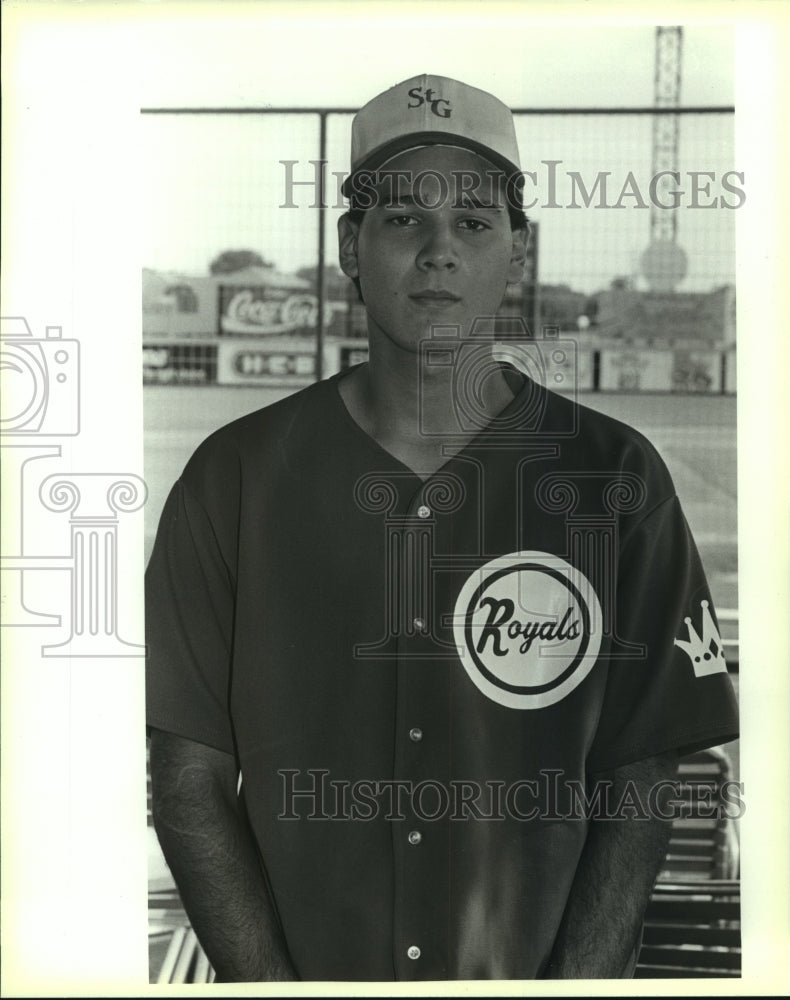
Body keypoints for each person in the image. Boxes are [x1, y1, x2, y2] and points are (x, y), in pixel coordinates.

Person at [146, 74, 739, 982]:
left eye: (473, 222)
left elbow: (643, 782)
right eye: (401, 221)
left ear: (517, 250)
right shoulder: (234, 478)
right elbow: (187, 781)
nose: (438, 253)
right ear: (350, 243)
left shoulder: (615, 476)